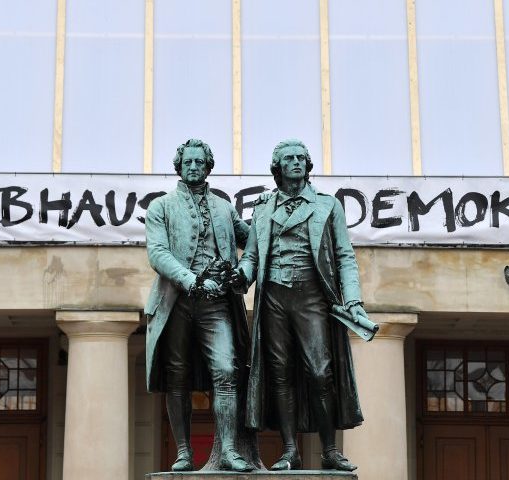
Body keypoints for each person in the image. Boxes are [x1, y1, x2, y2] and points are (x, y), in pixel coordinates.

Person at [235, 139, 370, 471]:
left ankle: (329, 450)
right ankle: (289, 450)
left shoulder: (327, 205)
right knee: (279, 372)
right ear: (278, 167)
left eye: (300, 158)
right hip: (274, 297)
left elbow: (344, 256)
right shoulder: (264, 208)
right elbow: (251, 256)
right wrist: (240, 277)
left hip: (311, 296)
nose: (296, 162)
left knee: (320, 371)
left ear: (308, 165)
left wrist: (353, 300)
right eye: (288, 158)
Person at [144, 138, 252, 472]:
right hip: (176, 301)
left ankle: (229, 450)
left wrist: (245, 269)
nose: (193, 167)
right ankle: (183, 451)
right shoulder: (161, 207)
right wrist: (191, 280)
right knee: (177, 376)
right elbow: (157, 253)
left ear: (208, 167)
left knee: (227, 369)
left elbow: (254, 240)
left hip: (217, 302)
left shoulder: (224, 207)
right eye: (188, 162)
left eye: (199, 162)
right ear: (179, 166)